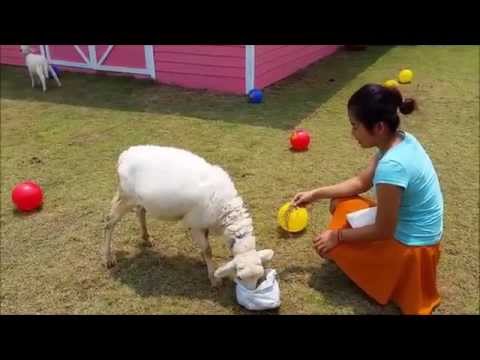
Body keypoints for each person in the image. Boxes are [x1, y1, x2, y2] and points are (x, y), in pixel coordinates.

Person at [292, 84, 444, 315]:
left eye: (355, 126)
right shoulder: (400, 140)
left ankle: (381, 270)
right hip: (409, 227)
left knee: (330, 246)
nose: (352, 133)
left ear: (379, 127)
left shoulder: (392, 166)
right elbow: (360, 183)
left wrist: (338, 236)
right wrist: (315, 194)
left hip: (413, 246)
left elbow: (383, 230)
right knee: (340, 202)